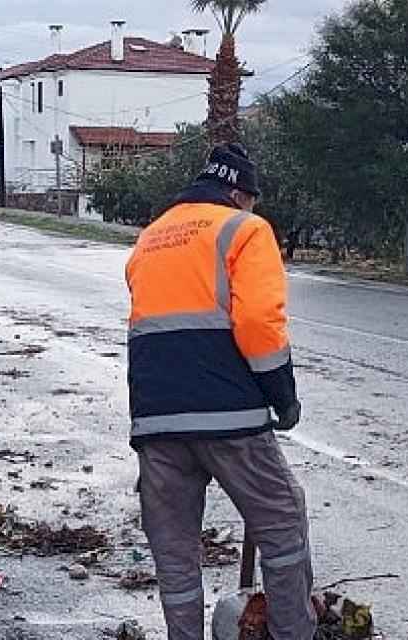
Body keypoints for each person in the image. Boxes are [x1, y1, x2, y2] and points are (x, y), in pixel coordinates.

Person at [125, 143, 314, 639]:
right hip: (228, 418)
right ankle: (295, 634)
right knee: (283, 524)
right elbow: (257, 322)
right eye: (251, 200)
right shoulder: (245, 229)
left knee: (175, 554)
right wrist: (283, 396)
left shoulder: (151, 237)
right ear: (238, 193)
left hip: (156, 421)